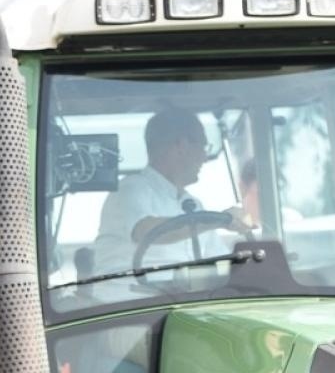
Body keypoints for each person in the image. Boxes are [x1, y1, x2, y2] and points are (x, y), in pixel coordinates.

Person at [91, 109, 251, 274]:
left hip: (183, 296)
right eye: (203, 147)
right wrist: (219, 220)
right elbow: (146, 232)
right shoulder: (129, 190)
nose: (205, 158)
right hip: (131, 298)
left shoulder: (195, 205)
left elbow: (220, 261)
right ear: (182, 145)